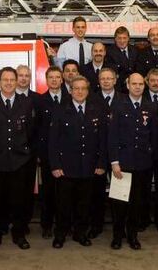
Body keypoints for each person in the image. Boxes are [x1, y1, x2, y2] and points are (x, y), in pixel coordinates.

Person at [0, 67, 36, 251]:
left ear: (17, 81)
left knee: (19, 201)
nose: (9, 83)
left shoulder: (26, 103)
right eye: (5, 79)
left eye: (12, 79)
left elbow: (30, 131)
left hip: (19, 162)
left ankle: (18, 235)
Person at [48, 76, 108, 248]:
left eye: (83, 88)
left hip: (89, 167)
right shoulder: (60, 111)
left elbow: (103, 140)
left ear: (88, 91)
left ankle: (80, 234)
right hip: (65, 168)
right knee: (63, 205)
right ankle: (60, 234)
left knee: (84, 204)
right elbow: (53, 141)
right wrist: (55, 165)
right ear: (70, 90)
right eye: (76, 88)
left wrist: (102, 163)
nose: (80, 92)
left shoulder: (97, 110)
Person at [108, 73, 158, 250]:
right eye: (134, 84)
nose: (137, 87)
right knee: (119, 203)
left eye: (140, 84)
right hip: (122, 163)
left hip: (142, 164)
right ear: (127, 85)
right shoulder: (118, 105)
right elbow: (112, 136)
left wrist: (151, 157)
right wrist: (114, 162)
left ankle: (132, 236)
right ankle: (117, 236)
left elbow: (154, 136)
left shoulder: (150, 107)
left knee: (137, 203)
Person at [87, 67, 121, 238]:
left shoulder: (123, 98)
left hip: (119, 154)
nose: (106, 81)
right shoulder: (90, 99)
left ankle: (119, 227)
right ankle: (96, 225)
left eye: (109, 78)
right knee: (96, 193)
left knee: (119, 193)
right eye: (103, 78)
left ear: (115, 80)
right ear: (98, 81)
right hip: (97, 153)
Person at [36, 66, 70, 239]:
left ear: (62, 79)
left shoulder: (70, 99)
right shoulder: (40, 101)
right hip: (47, 155)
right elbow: (36, 130)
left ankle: (65, 224)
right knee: (48, 193)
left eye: (58, 77)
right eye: (51, 77)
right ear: (47, 80)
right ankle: (47, 225)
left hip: (68, 155)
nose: (55, 80)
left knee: (66, 194)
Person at [140, 68, 158, 233]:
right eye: (152, 80)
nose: (156, 83)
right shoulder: (139, 98)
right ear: (147, 81)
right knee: (143, 188)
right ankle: (143, 219)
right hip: (144, 152)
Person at [15, 64, 44, 234]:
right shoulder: (7, 98)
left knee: (27, 190)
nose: (24, 78)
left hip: (30, 155)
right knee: (11, 190)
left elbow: (40, 128)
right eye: (20, 75)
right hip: (10, 154)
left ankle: (24, 223)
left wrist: (38, 152)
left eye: (27, 75)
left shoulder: (37, 99)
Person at [105, 26, 138, 92]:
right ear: (115, 39)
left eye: (124, 38)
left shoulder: (135, 50)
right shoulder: (109, 52)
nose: (122, 41)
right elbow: (113, 72)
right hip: (118, 88)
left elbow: (137, 68)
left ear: (128, 38)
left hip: (135, 87)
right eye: (119, 38)